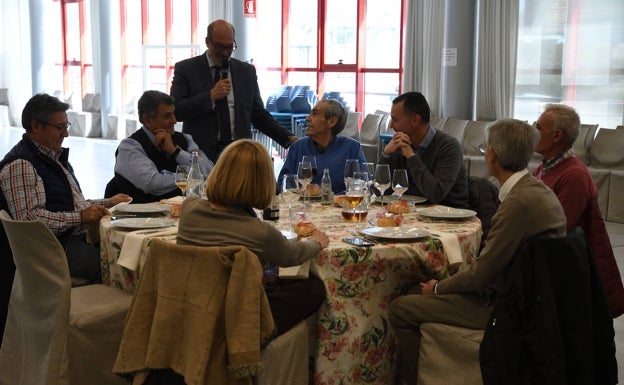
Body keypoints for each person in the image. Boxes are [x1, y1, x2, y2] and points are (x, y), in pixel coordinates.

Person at [388, 119, 567, 383]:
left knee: (400, 308)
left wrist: (438, 288)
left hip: (508, 307)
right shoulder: (534, 190)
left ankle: (413, 379)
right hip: (536, 296)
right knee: (417, 287)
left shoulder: (518, 203)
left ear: (492, 155)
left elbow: (482, 273)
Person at [176, 139, 328, 337]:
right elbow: (293, 255)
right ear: (262, 182)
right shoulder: (260, 232)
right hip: (238, 315)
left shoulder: (189, 208)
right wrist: (316, 241)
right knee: (313, 288)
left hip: (192, 303)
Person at [0, 93, 131, 283]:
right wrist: (80, 217)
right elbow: (29, 220)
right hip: (54, 252)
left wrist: (109, 202)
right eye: (60, 127)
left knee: (130, 252)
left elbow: (72, 204)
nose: (66, 133)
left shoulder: (51, 158)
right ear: (36, 126)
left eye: (66, 126)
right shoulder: (21, 165)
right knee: (127, 265)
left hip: (70, 242)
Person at [532, 104, 624, 318]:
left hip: (568, 272)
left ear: (556, 135)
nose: (533, 133)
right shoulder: (544, 167)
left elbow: (556, 229)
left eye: (538, 128)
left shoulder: (574, 175)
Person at [170, 19, 298, 162]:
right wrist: (210, 97)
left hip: (239, 154)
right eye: (219, 47)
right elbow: (177, 110)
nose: (225, 53)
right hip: (201, 154)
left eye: (230, 47)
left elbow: (258, 114)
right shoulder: (186, 69)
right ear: (207, 42)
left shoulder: (246, 71)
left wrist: (288, 138)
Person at [106, 90, 214, 203]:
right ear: (147, 120)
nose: (174, 120)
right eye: (167, 116)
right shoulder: (129, 147)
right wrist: (192, 176)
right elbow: (154, 185)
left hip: (180, 212)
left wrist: (176, 151)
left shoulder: (185, 139)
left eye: (174, 114)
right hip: (140, 216)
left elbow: (210, 171)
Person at [379, 92, 469, 208]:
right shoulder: (400, 144)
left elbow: (435, 195)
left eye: (395, 120)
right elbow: (380, 192)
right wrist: (386, 155)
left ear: (415, 120)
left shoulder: (449, 147)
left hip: (448, 219)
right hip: (411, 216)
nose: (391, 125)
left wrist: (411, 157)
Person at [277, 99, 367, 194]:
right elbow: (284, 183)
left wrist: (335, 197)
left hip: (341, 206)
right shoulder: (298, 146)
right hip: (304, 206)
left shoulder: (352, 148)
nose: (307, 118)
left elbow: (363, 184)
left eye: (315, 114)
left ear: (331, 122)